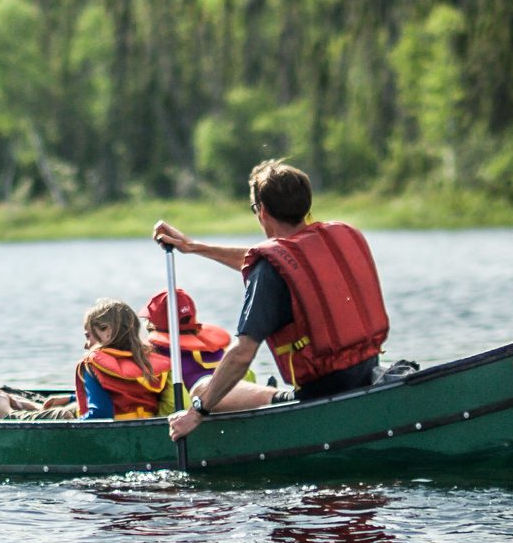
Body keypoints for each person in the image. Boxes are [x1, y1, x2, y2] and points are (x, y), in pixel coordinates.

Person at [154, 158, 389, 441]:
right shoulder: (331, 240)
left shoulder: (269, 270)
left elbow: (242, 354)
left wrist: (196, 413)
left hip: (318, 396)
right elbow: (276, 263)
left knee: (202, 388)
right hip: (367, 374)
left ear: (262, 211)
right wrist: (194, 247)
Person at [0, 299, 170, 421]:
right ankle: (22, 403)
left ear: (107, 331)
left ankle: (4, 408)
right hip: (138, 430)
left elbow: (100, 415)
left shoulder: (93, 365)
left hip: (104, 436)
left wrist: (75, 423)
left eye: (88, 336)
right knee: (64, 407)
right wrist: (70, 397)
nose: (86, 345)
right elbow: (122, 395)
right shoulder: (148, 363)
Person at [144, 288, 234, 396]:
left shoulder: (152, 358)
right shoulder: (221, 353)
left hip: (190, 403)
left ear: (151, 322)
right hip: (232, 399)